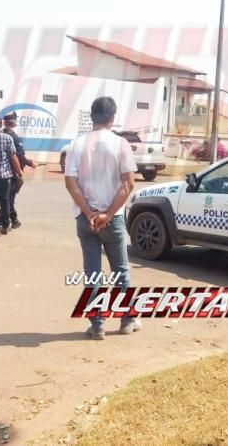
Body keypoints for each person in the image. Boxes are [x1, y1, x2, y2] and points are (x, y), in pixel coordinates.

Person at [64, 96, 140, 340]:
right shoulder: (120, 144)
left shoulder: (76, 144)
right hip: (112, 218)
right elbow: (128, 183)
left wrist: (89, 213)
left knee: (92, 273)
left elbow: (70, 183)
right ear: (112, 117)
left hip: (85, 219)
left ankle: (97, 325)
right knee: (120, 271)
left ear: (92, 115)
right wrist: (107, 213)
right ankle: (127, 320)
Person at [3, 111, 37, 229]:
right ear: (13, 123)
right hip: (13, 172)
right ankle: (12, 219)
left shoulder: (2, 135)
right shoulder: (14, 137)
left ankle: (6, 218)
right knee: (9, 198)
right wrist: (30, 163)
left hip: (2, 172)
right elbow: (19, 155)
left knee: (4, 197)